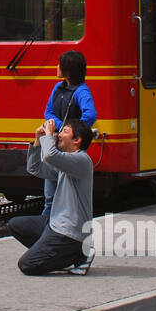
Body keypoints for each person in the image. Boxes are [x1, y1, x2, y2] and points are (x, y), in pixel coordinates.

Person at [7, 117, 95, 275]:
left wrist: (49, 134)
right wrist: (37, 141)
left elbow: (50, 155)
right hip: (55, 223)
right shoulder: (65, 162)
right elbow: (35, 168)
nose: (59, 135)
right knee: (16, 225)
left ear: (77, 140)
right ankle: (61, 256)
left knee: (27, 265)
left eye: (65, 132)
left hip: (70, 232)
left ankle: (79, 255)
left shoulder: (82, 160)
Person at [41, 51, 97, 220]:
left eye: (60, 64)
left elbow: (90, 115)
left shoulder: (81, 91)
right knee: (49, 196)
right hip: (57, 143)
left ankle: (49, 231)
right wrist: (61, 126)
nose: (56, 67)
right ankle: (46, 231)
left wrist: (69, 129)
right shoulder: (58, 88)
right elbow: (48, 111)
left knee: (58, 195)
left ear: (68, 69)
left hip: (68, 148)